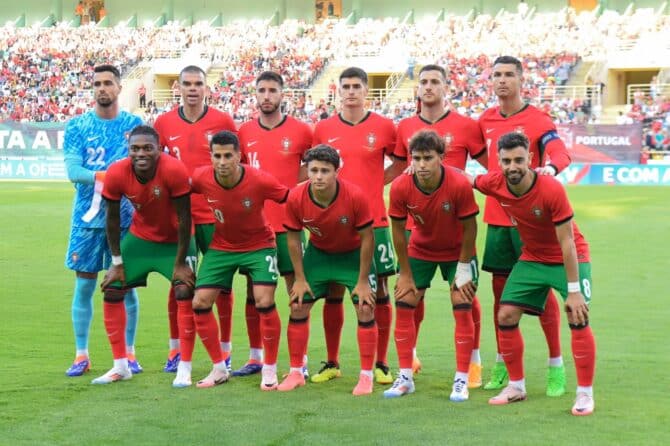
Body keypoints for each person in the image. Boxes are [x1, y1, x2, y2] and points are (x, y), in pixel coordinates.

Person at [471, 132, 596, 416]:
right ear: (498, 162)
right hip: (533, 257)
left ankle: (585, 394)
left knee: (578, 316)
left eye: (518, 160)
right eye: (506, 161)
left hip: (569, 258)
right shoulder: (494, 182)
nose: (512, 166)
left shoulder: (551, 189)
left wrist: (574, 291)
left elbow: (567, 242)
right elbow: (465, 179)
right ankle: (516, 386)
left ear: (529, 159)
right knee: (506, 314)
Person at [478, 56, 571, 396]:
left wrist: (553, 169)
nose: (501, 81)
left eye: (508, 75)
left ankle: (555, 366)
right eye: (496, 75)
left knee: (543, 294)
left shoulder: (537, 119)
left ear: (521, 79)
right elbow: (482, 162)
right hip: (498, 222)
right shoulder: (485, 119)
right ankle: (503, 365)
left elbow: (558, 152)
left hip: (531, 224)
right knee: (500, 296)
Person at [393, 64, 487, 386]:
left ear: (447, 87)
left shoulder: (467, 126)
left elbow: (491, 168)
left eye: (435, 82)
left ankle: (473, 362)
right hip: (414, 224)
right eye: (424, 82)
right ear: (417, 88)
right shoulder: (404, 126)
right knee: (410, 295)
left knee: (465, 297)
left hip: (456, 226)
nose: (429, 87)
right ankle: (411, 357)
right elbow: (396, 168)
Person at [312, 67, 402, 385]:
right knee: (333, 291)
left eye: (356, 86)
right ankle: (332, 361)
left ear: (366, 91)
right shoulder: (323, 128)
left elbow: (401, 161)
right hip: (332, 225)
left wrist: (379, 182)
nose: (351, 91)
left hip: (373, 222)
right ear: (339, 90)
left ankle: (381, 362)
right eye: (346, 86)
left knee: (378, 293)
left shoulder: (384, 126)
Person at [93, 125, 196, 385]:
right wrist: (116, 262)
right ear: (128, 150)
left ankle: (184, 366)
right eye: (135, 149)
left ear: (158, 150)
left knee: (184, 290)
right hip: (141, 239)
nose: (141, 153)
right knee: (113, 288)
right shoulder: (117, 172)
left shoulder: (174, 170)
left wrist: (181, 261)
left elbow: (185, 218)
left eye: (147, 148)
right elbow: (112, 219)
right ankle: (121, 366)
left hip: (177, 241)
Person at [187, 130, 287, 390]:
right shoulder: (200, 177)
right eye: (217, 156)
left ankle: (270, 368)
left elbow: (290, 198)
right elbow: (178, 192)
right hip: (221, 247)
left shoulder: (259, 179)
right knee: (199, 303)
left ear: (239, 156)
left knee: (264, 302)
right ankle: (219, 368)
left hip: (259, 245)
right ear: (210, 157)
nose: (222, 162)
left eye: (228, 156)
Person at [153, 65, 237, 373]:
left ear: (206, 88)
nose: (192, 89)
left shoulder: (222, 121)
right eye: (186, 83)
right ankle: (175, 350)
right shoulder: (163, 122)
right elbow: (154, 165)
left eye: (197, 84)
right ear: (178, 87)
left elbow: (234, 164)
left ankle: (225, 351)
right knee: (180, 284)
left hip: (215, 215)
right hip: (180, 218)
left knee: (222, 286)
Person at [385, 130, 479, 401]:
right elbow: (398, 230)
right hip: (421, 250)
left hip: (459, 251)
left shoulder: (458, 184)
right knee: (404, 303)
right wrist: (404, 273)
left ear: (441, 157)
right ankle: (405, 377)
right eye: (416, 158)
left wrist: (463, 267)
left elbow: (470, 228)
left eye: (428, 158)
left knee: (462, 306)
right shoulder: (402, 186)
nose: (422, 164)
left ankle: (461, 380)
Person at [277, 145, 378, 396]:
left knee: (365, 307)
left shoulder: (355, 196)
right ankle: (296, 372)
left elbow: (368, 238)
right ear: (307, 171)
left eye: (325, 170)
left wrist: (363, 280)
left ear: (336, 171)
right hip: (319, 255)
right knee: (298, 304)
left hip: (353, 257)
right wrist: (299, 279)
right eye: (314, 170)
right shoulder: (296, 197)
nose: (318, 176)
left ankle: (366, 377)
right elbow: (292, 239)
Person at [63, 64, 143, 377]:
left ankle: (130, 353)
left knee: (125, 287)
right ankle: (81, 354)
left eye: (108, 83)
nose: (102, 89)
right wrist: (110, 177)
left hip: (125, 220)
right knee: (84, 287)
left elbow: (144, 166)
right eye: (97, 83)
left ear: (120, 88)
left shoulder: (134, 125)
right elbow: (74, 172)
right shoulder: (78, 126)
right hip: (87, 221)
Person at [234, 71, 312, 377]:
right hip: (254, 228)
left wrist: (294, 189)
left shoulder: (302, 131)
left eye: (272, 91)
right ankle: (256, 357)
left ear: (283, 95)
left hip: (289, 226)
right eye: (262, 91)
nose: (267, 96)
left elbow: (315, 166)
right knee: (254, 294)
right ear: (255, 95)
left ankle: (299, 361)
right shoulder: (243, 131)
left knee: (297, 291)